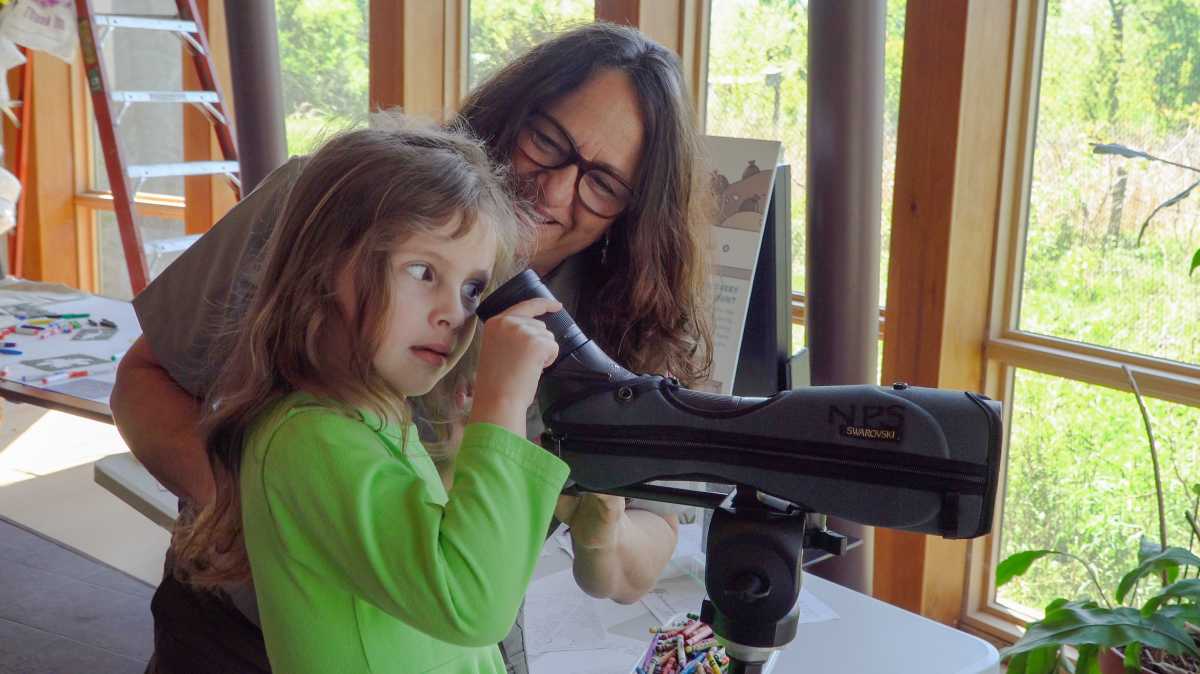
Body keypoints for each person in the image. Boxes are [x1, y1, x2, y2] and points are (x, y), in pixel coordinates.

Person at [113, 22, 713, 674]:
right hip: (242, 633)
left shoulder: (625, 321)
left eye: (602, 183)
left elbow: (638, 552)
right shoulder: (333, 208)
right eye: (548, 142)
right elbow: (143, 381)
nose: (557, 190)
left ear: (632, 213)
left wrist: (604, 529)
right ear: (511, 114)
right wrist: (269, 524)